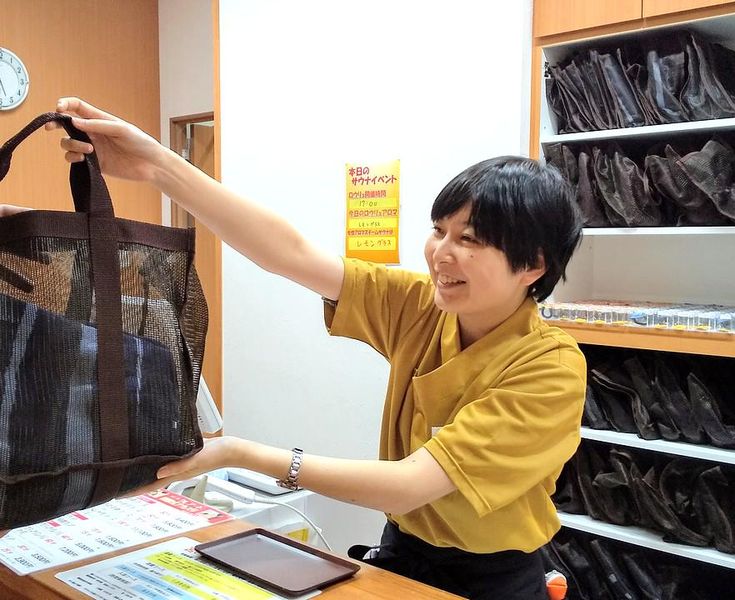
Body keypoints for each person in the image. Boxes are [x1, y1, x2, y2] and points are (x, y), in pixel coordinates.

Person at [30, 97, 585, 599]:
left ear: (532, 265)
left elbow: (411, 486)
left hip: (490, 580)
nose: (441, 253)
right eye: (439, 230)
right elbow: (288, 253)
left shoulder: (550, 369)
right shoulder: (422, 306)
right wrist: (159, 166)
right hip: (401, 553)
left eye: (470, 240)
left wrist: (241, 453)